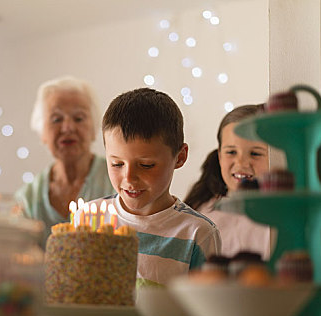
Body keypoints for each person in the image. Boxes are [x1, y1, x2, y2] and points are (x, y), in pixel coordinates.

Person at [81, 87, 221, 287]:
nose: (129, 177)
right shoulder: (87, 219)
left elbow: (208, 312)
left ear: (179, 157)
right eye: (117, 164)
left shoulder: (198, 234)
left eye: (146, 165)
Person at [15, 76, 115, 246]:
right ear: (42, 133)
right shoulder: (28, 199)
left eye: (79, 118)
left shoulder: (118, 179)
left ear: (93, 129)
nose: (68, 127)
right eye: (56, 119)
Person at [184, 104, 274, 260]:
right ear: (219, 156)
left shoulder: (280, 216)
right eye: (231, 152)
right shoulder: (201, 212)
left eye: (255, 153)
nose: (241, 164)